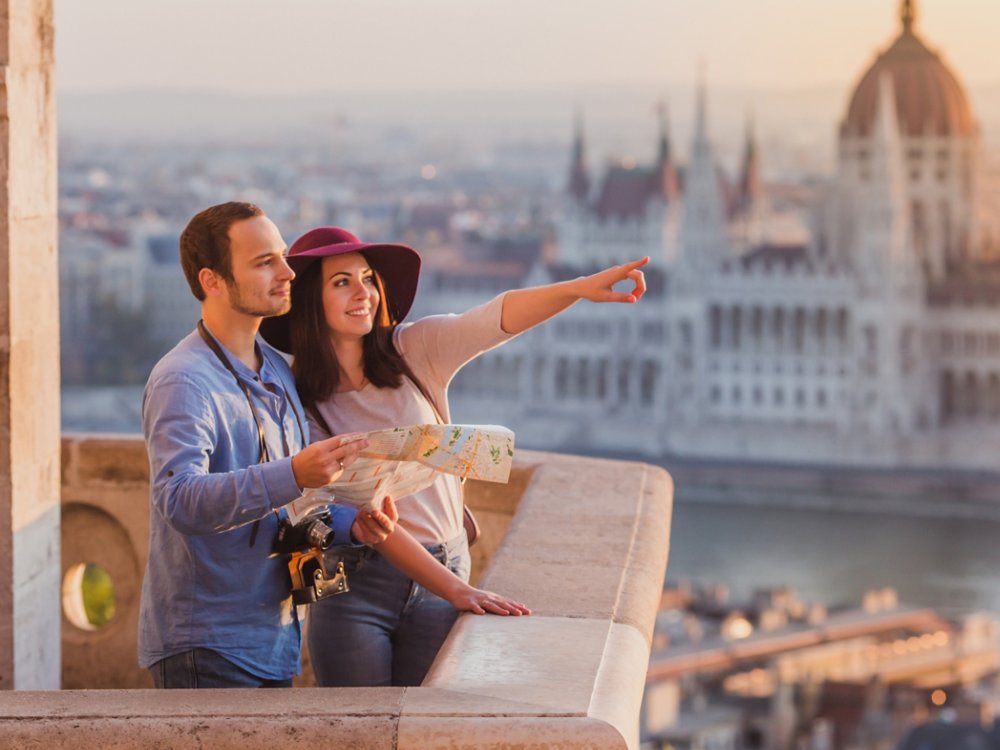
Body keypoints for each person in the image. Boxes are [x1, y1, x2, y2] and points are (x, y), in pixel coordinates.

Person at [260, 226, 647, 686]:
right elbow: (363, 520)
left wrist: (578, 289)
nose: (362, 293)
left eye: (367, 278)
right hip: (356, 582)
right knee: (359, 729)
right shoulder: (296, 394)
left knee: (426, 727)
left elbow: (494, 318)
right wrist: (458, 591)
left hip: (445, 564)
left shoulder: (414, 349)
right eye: (341, 282)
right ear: (308, 300)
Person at [138, 201, 395, 689]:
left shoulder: (275, 367)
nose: (288, 272)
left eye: (281, 256)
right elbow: (178, 499)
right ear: (212, 281)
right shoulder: (183, 380)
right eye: (264, 262)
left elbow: (291, 501)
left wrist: (352, 524)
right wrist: (294, 473)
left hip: (273, 638)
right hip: (207, 644)